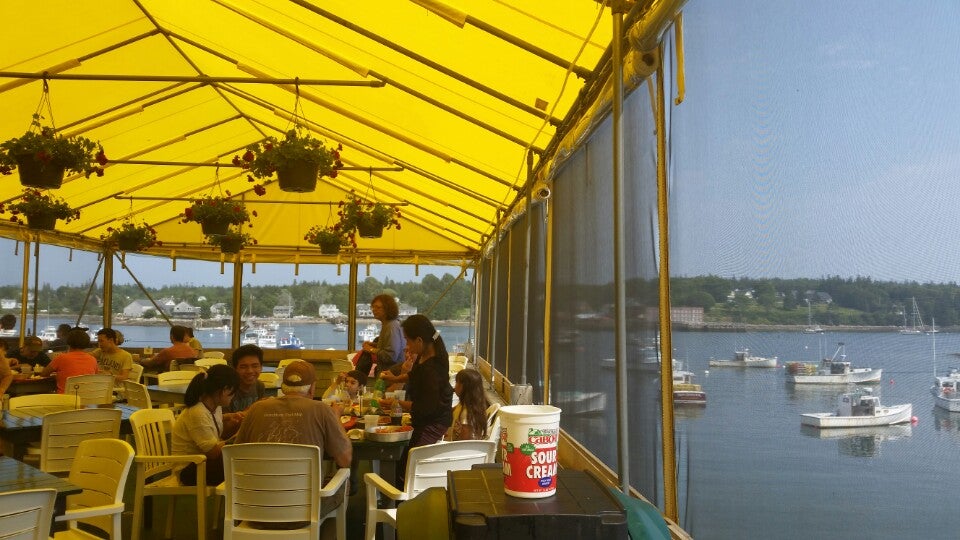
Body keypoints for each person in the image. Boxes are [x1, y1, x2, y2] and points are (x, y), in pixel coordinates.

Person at [235, 360, 352, 468]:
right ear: (312, 388)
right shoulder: (322, 410)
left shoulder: (256, 409)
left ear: (283, 387)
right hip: (305, 490)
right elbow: (345, 459)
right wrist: (336, 416)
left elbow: (236, 455)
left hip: (255, 488)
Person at [379, 314, 452, 449]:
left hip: (433, 422)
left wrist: (395, 403)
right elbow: (415, 374)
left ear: (419, 340)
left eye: (407, 341)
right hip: (423, 417)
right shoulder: (425, 353)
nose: (407, 346)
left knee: (408, 456)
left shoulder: (433, 370)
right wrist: (396, 378)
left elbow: (424, 407)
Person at [171, 365, 239, 486]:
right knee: (241, 464)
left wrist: (228, 417)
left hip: (202, 463)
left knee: (242, 463)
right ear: (224, 390)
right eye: (232, 393)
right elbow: (213, 452)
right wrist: (237, 437)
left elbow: (210, 424)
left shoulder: (214, 407)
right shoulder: (197, 412)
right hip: (190, 470)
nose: (233, 397)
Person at [357, 294, 405, 376]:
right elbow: (389, 347)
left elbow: (391, 356)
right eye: (373, 307)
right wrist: (375, 345)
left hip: (391, 376)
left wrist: (371, 349)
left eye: (378, 307)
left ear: (388, 309)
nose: (374, 310)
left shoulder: (391, 327)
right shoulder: (388, 325)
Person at [41, 328, 98, 394]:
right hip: (86, 400)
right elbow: (94, 377)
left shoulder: (61, 357)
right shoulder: (93, 359)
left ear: (68, 341)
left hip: (65, 400)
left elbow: (44, 374)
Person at [448, 369, 490, 441]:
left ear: (464, 387)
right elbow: (452, 410)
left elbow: (465, 443)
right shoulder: (473, 404)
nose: (455, 387)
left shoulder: (466, 414)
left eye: (457, 382)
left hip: (459, 450)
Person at [225, 344, 266, 415]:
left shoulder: (259, 386)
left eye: (255, 366)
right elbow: (223, 422)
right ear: (234, 369)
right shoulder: (227, 389)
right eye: (243, 367)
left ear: (261, 367)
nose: (250, 371)